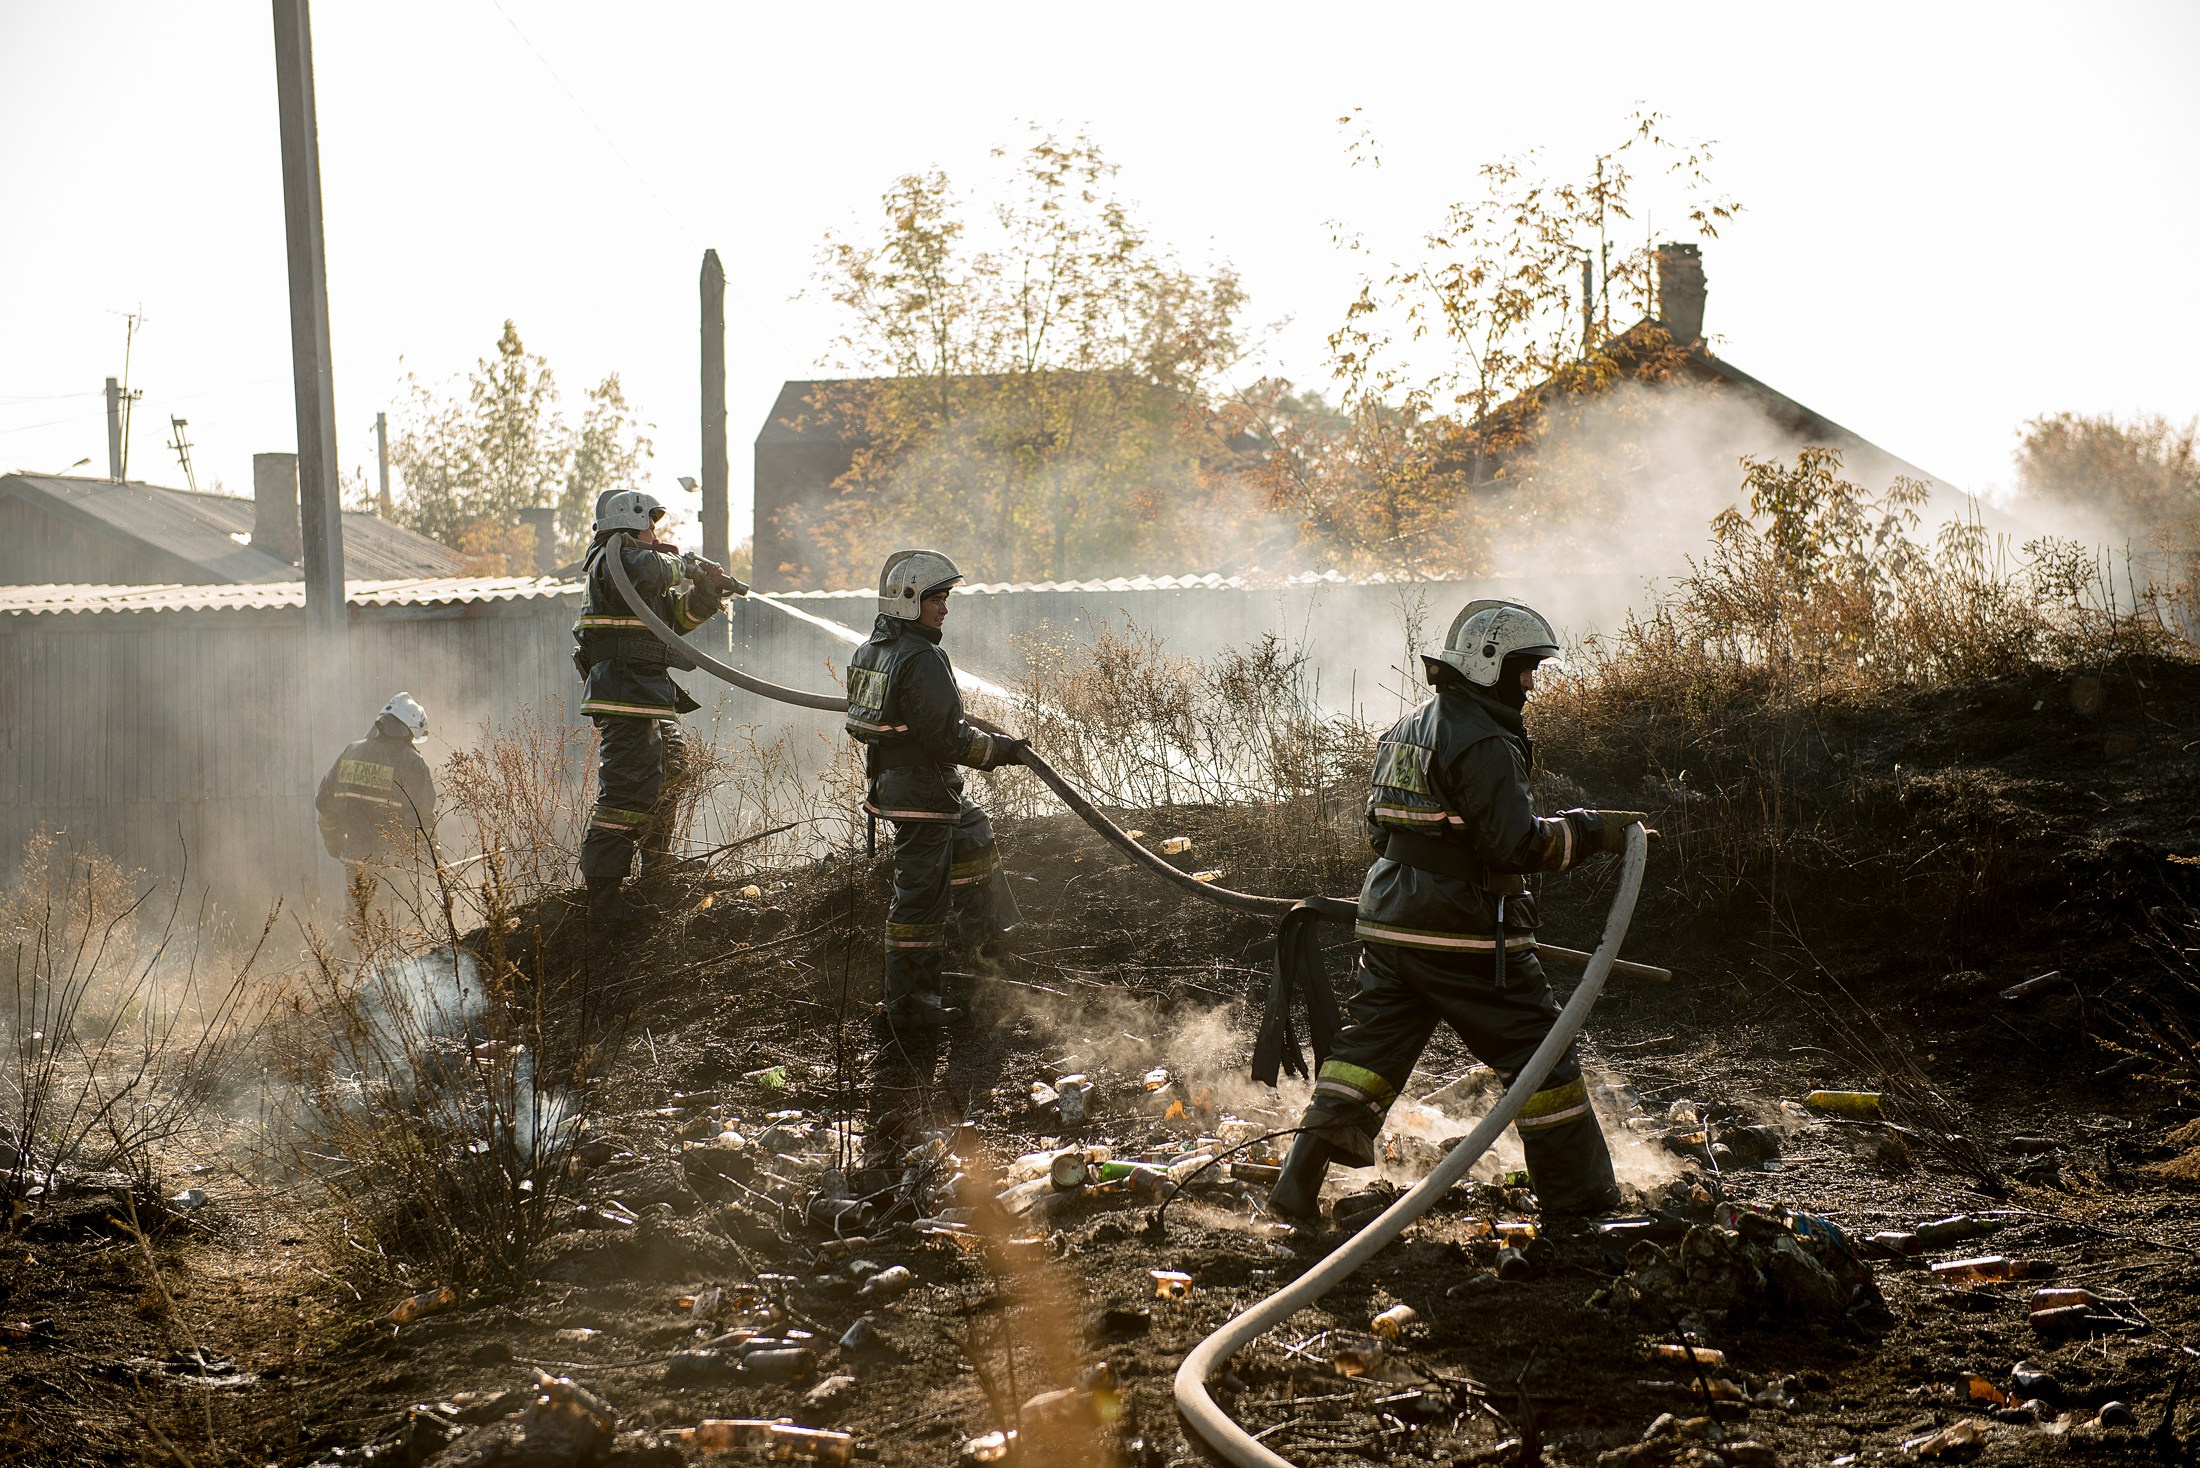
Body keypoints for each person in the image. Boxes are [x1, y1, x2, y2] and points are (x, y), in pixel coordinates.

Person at [1268, 599, 1649, 1224]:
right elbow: (1517, 845)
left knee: (1363, 1060)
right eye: (1523, 669)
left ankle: (1294, 1187)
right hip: (1466, 937)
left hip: (1388, 925)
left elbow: (1378, 831)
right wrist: (1593, 831)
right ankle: (1579, 1205)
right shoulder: (1486, 741)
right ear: (1488, 664)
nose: (1530, 683)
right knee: (1542, 1057)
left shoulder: (1407, 728)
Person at [844, 549, 1024, 1168]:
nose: (944, 606)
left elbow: (872, 722)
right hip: (921, 792)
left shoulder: (875, 650)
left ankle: (983, 954)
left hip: (908, 787)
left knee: (975, 836)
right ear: (907, 602)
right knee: (917, 899)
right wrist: (996, 751)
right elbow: (945, 735)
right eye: (936, 597)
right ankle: (912, 1005)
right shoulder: (921, 657)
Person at [573, 488, 728, 925]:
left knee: (675, 769)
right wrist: (690, 564)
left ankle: (654, 870)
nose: (656, 533)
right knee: (625, 793)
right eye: (651, 524)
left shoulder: (640, 573)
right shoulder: (616, 557)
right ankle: (603, 899)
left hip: (647, 696)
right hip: (625, 696)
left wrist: (706, 594)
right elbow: (650, 567)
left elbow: (675, 624)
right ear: (631, 521)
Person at [316, 692, 436, 869]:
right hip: (396, 872)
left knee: (360, 898)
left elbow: (325, 803)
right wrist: (432, 861)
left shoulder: (351, 753)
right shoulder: (412, 763)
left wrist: (335, 844)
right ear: (408, 730)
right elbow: (422, 821)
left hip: (356, 869)